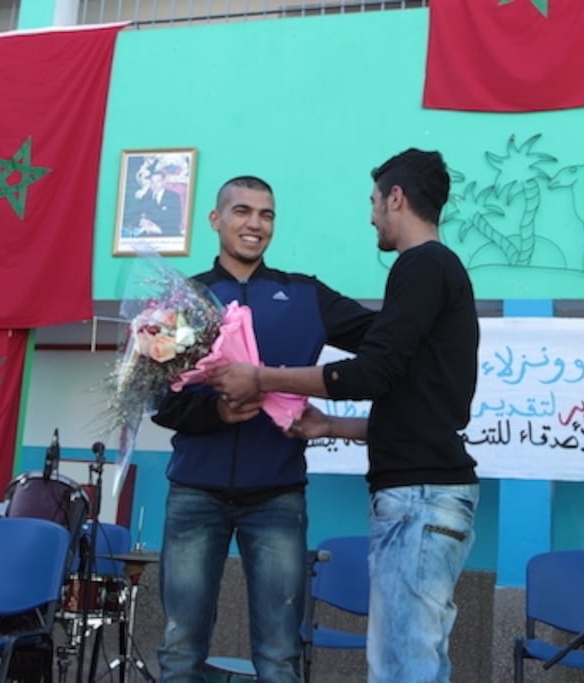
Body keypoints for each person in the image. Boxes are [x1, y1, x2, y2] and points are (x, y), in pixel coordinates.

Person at [207, 148, 480, 683]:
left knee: (403, 666)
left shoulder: (422, 265)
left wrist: (262, 378)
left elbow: (369, 374)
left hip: (421, 502)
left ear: (395, 198)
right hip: (423, 492)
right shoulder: (434, 272)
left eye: (375, 202)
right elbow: (416, 412)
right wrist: (330, 426)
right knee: (409, 659)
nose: (371, 215)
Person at [150, 175, 376, 682]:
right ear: (216, 219)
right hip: (194, 495)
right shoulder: (185, 298)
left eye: (266, 214)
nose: (255, 224)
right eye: (242, 211)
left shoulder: (304, 295)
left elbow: (384, 338)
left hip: (277, 497)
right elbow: (157, 401)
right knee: (180, 648)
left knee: (279, 654)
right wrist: (215, 413)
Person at [137, 170, 184, 235]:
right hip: (149, 233)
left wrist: (158, 228)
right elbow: (140, 216)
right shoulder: (145, 198)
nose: (155, 185)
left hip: (169, 233)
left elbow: (175, 219)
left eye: (158, 181)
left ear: (163, 182)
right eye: (152, 182)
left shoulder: (173, 196)